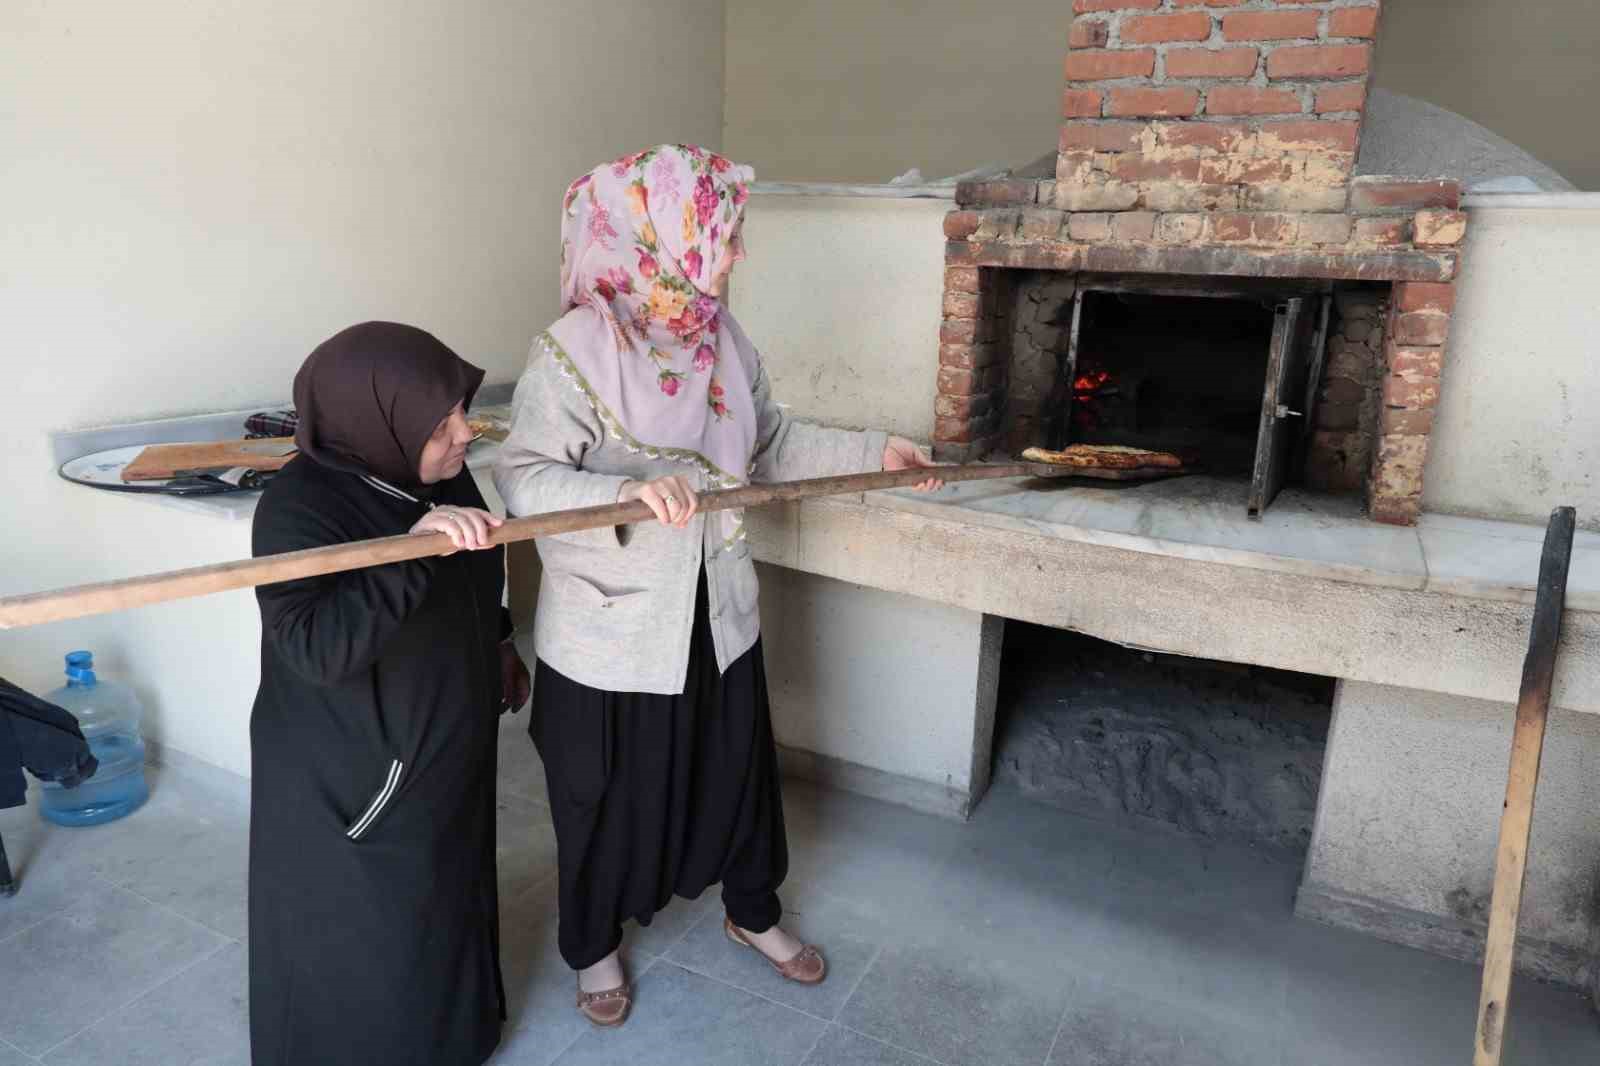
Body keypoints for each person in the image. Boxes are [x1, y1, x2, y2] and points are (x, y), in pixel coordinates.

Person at [494, 144, 940, 1027]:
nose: (735, 255)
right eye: (724, 237)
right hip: (615, 629)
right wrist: (619, 492)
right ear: (659, 239)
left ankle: (753, 912)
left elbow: (768, 439)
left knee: (735, 770)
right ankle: (593, 945)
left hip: (716, 612)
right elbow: (523, 476)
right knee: (602, 794)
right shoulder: (574, 350)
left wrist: (870, 453)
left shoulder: (720, 338)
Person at [249, 321, 530, 1066]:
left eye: (462, 413)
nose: (466, 434)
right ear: (379, 421)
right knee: (374, 926)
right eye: (444, 425)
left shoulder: (433, 472)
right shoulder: (297, 508)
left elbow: (477, 570)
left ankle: (457, 1037)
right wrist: (414, 549)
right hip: (360, 770)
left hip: (442, 740)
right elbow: (314, 648)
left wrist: (500, 641)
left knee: (445, 898)